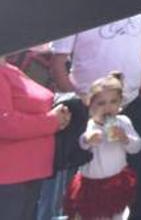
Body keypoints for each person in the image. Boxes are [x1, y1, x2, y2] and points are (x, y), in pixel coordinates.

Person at [51, 15, 141, 220]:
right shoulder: (75, 10)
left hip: (134, 100)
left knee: (139, 163)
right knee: (87, 167)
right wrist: (77, 101)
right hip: (90, 108)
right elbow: (58, 62)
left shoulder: (139, 8)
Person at [0, 53, 69, 219]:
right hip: (10, 179)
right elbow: (4, 124)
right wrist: (51, 121)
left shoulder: (9, 69)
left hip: (27, 176)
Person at [66, 71, 141, 220]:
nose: (107, 107)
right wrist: (87, 140)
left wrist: (125, 138)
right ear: (90, 105)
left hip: (117, 181)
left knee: (118, 215)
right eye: (101, 103)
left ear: (120, 103)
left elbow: (137, 147)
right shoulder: (88, 125)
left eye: (113, 102)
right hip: (91, 184)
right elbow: (79, 146)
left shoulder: (123, 122)